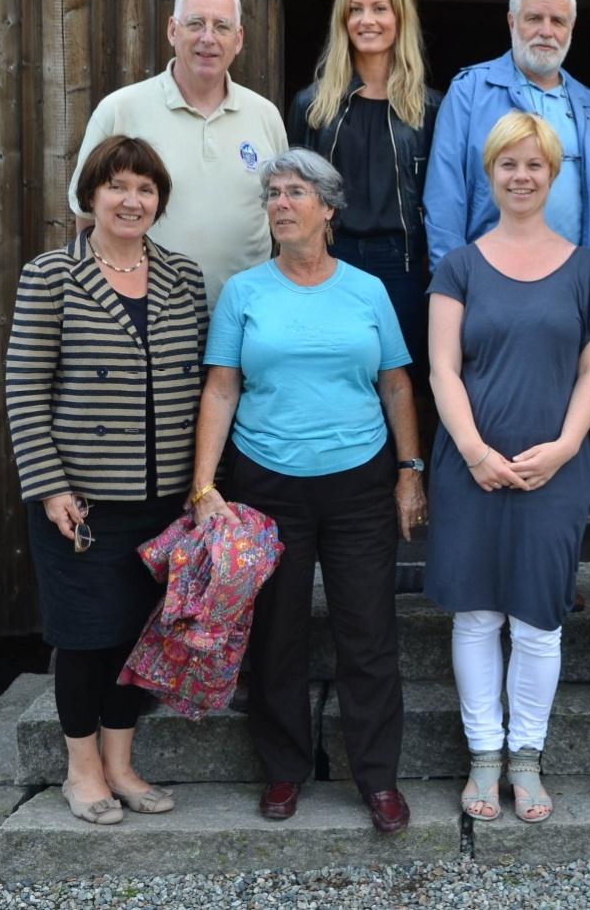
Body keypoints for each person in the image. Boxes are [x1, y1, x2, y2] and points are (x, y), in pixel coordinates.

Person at [189, 148, 425, 833]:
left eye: (296, 193)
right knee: (277, 635)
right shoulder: (244, 292)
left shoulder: (366, 290)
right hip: (267, 483)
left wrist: (411, 472)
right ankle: (285, 772)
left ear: (328, 208)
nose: (282, 204)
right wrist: (204, 484)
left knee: (368, 633)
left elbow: (396, 383)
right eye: (274, 194)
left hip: (359, 483)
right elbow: (222, 387)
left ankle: (378, 779)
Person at [6, 135, 207, 825]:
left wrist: (202, 485)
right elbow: (25, 390)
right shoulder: (51, 275)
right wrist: (51, 486)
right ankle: (81, 770)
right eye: (118, 185)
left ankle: (122, 766)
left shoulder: (184, 276)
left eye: (146, 189)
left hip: (165, 500)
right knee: (87, 638)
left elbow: (205, 387)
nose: (132, 200)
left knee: (143, 639)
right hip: (81, 504)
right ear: (90, 195)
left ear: (159, 202)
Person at [424, 112, 590, 823]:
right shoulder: (460, 265)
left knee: (539, 619)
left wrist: (569, 447)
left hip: (554, 468)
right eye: (508, 164)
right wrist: (474, 451)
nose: (521, 176)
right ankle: (483, 755)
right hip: (469, 466)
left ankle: (527, 758)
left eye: (534, 164)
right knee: (476, 615)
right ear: (490, 172)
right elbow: (443, 368)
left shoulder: (587, 271)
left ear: (553, 173)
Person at [67, 0, 288, 308]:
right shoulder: (120, 110)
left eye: (222, 27)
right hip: (150, 319)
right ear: (173, 30)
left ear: (238, 38)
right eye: (195, 23)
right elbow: (86, 215)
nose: (208, 38)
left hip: (245, 315)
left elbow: (282, 217)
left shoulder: (265, 116)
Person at [286, 0, 440, 371]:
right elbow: (292, 199)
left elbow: (443, 199)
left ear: (399, 18)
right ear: (343, 20)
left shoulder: (429, 108)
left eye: (379, 8)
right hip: (331, 258)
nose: (366, 20)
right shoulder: (312, 105)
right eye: (355, 9)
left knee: (402, 382)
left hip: (404, 265)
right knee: (330, 376)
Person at [422, 0, 590, 268]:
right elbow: (444, 194)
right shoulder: (470, 91)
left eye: (558, 21)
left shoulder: (589, 104)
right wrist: (452, 281)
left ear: (571, 28)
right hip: (489, 278)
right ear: (512, 22)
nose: (546, 32)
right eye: (534, 18)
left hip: (573, 279)